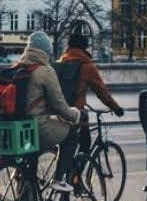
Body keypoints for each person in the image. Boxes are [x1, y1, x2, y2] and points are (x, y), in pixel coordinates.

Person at [17, 31, 83, 192]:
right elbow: (60, 106)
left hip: (17, 128)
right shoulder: (45, 71)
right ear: (46, 51)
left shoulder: (18, 67)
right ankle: (58, 179)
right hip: (37, 128)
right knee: (71, 135)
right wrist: (76, 114)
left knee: (30, 157)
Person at [58, 33, 125, 156]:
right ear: (84, 47)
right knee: (85, 145)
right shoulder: (87, 66)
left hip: (60, 112)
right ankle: (76, 172)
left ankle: (69, 169)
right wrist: (116, 108)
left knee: (65, 146)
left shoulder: (61, 63)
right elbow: (102, 92)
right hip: (77, 114)